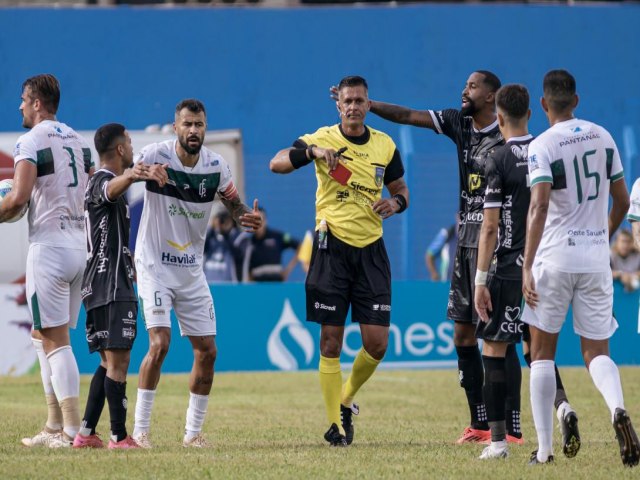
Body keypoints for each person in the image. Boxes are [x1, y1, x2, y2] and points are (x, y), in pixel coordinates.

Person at [337, 71, 506, 443]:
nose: (464, 90)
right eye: (464, 84)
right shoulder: (459, 122)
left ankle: (511, 427)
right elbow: (408, 115)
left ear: (491, 96)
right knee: (462, 335)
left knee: (498, 336)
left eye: (472, 86)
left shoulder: (507, 134)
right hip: (466, 244)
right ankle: (479, 423)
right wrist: (368, 105)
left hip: (497, 244)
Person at [271, 75, 409, 446]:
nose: (353, 107)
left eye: (359, 101)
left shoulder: (385, 145)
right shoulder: (322, 138)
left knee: (377, 344)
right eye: (347, 101)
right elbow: (276, 163)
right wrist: (312, 153)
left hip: (371, 250)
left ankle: (346, 399)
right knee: (330, 342)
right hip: (331, 247)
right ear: (338, 105)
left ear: (368, 104)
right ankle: (336, 426)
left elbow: (401, 189)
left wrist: (395, 203)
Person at [522, 69, 639, 467]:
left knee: (541, 354)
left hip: (554, 258)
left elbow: (539, 205)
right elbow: (622, 202)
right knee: (597, 352)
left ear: (543, 104)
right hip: (595, 259)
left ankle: (544, 451)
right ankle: (617, 409)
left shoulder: (542, 145)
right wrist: (601, 235)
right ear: (576, 100)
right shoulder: (603, 137)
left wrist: (527, 265)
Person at [132, 99, 262, 448]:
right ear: (176, 127)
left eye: (199, 124)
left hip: (191, 270)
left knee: (208, 352)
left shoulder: (216, 166)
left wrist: (245, 217)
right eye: (187, 124)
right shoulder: (156, 154)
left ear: (205, 128)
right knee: (160, 344)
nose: (193, 130)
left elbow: (234, 204)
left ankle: (192, 434)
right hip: (154, 266)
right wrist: (145, 173)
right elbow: (129, 170)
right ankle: (140, 431)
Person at [0, 74, 93, 448]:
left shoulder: (31, 141)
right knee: (42, 336)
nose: (20, 106)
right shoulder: (79, 142)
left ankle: (71, 432)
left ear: (38, 103)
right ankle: (54, 425)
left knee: (56, 342)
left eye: (24, 99)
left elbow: (19, 197)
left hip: (49, 249)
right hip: (78, 247)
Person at [72, 124, 167, 450]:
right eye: (128, 141)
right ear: (120, 149)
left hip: (99, 283)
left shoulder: (99, 182)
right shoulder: (102, 180)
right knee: (119, 363)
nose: (131, 146)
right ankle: (119, 437)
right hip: (110, 285)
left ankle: (86, 433)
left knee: (107, 362)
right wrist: (134, 174)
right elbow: (110, 189)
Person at [237, 207, 302, 282]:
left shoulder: (277, 237)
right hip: (257, 286)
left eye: (260, 220)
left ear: (266, 221)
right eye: (254, 220)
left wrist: (287, 270)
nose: (258, 223)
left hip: (277, 284)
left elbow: (300, 246)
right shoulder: (248, 242)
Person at [203, 206, 242, 283]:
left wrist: (226, 232)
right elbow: (200, 248)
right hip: (208, 283)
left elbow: (238, 255)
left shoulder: (237, 236)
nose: (222, 221)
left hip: (228, 284)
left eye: (226, 218)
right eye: (220, 218)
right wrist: (212, 227)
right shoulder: (210, 235)